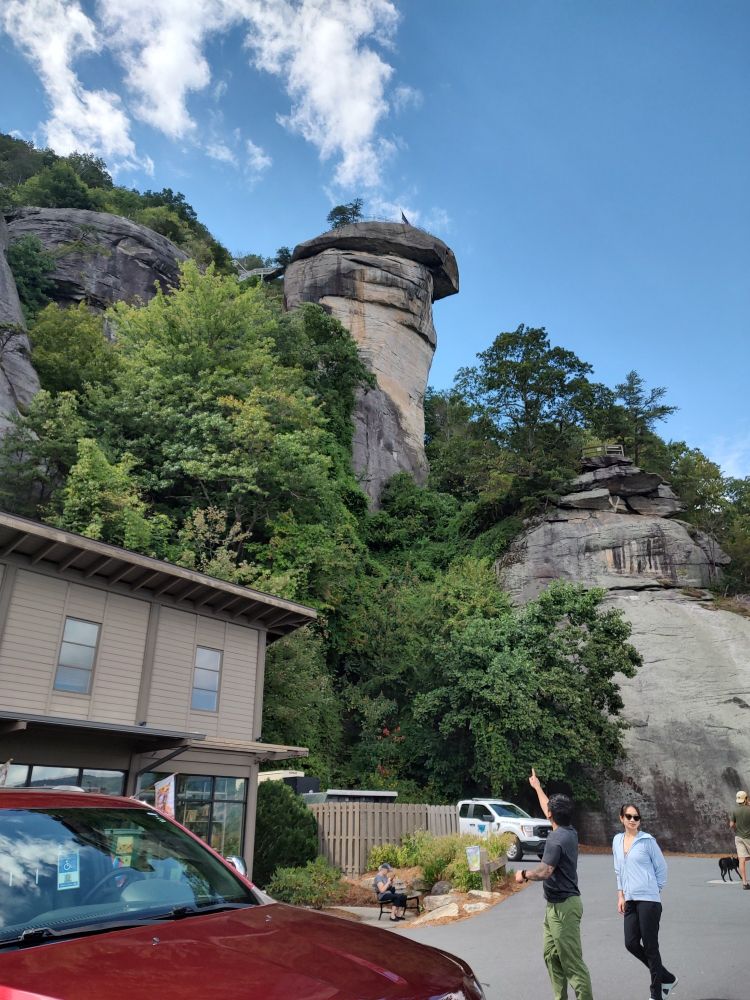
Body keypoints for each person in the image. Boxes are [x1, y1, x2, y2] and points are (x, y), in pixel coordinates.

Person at [514, 768, 594, 1000]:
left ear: (550, 815)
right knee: (551, 956)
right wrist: (537, 786)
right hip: (554, 907)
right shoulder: (567, 830)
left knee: (573, 964)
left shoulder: (556, 838)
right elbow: (549, 806)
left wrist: (524, 873)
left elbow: (545, 871)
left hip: (564, 909)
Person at [612, 803, 678, 1000]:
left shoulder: (647, 841)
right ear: (621, 818)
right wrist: (621, 895)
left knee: (650, 947)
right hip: (630, 900)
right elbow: (618, 870)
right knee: (631, 943)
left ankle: (656, 993)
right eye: (629, 816)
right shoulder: (617, 840)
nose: (633, 820)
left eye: (636, 817)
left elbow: (662, 868)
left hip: (649, 901)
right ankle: (666, 977)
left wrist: (653, 890)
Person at [729, 789, 750, 889]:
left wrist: (736, 828)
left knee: (742, 860)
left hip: (738, 837)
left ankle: (745, 883)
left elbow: (731, 824)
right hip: (749, 838)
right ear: (746, 799)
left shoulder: (734, 810)